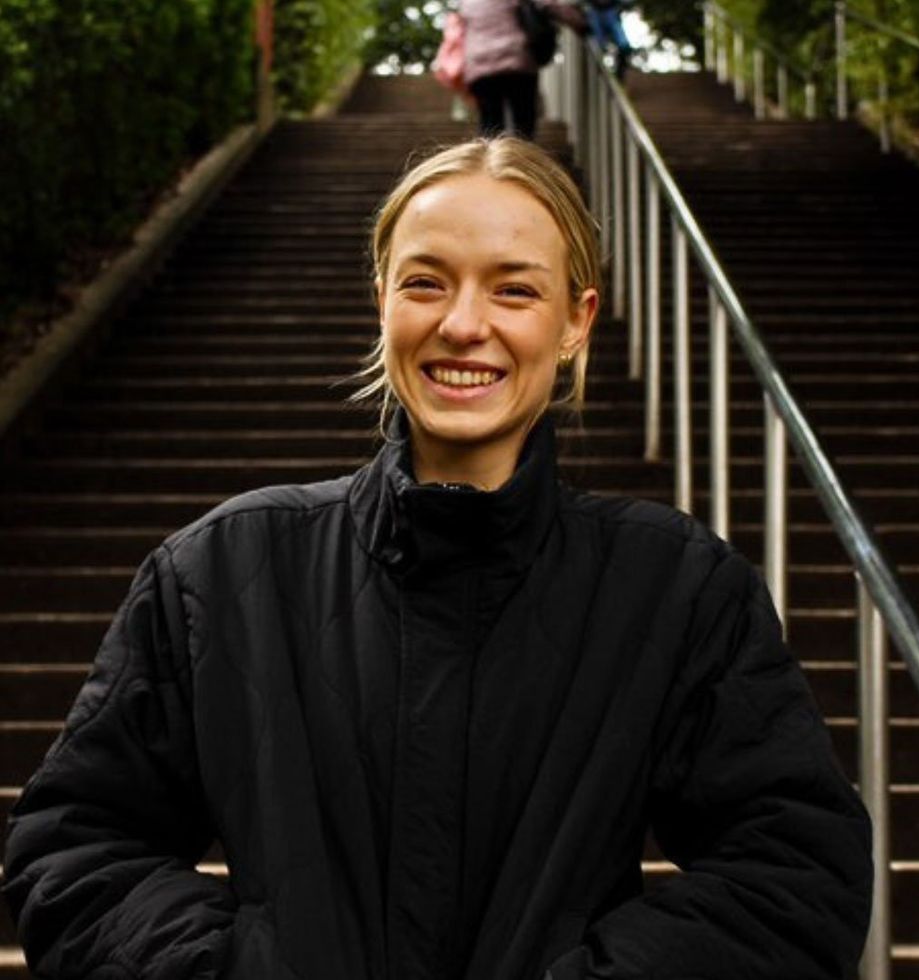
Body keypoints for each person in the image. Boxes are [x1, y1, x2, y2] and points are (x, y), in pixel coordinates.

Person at [2, 137, 873, 979]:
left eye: (514, 290)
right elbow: (74, 846)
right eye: (425, 283)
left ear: (576, 322)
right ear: (381, 298)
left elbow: (796, 873)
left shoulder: (678, 589)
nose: (463, 325)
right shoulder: (221, 571)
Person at [461, 0, 585, 139]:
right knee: (523, 120)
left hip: (480, 64)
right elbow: (548, 4)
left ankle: (489, 149)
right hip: (516, 60)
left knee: (490, 121)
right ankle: (523, 150)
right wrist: (580, 22)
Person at [584, 0, 632, 80]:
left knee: (623, 44)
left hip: (610, 13)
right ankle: (599, 65)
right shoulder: (593, 16)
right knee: (597, 44)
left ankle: (620, 72)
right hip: (595, 14)